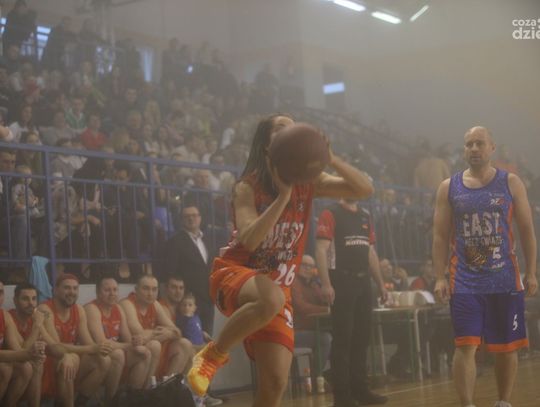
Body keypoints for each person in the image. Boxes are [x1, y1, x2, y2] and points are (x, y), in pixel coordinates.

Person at [187, 113, 374, 407]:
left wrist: (331, 159)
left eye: (293, 127)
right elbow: (250, 239)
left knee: (275, 383)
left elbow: (364, 190)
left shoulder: (310, 182)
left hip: (275, 291)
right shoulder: (247, 186)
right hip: (235, 272)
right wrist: (283, 198)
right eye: (280, 128)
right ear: (267, 145)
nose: (291, 131)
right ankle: (213, 354)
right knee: (272, 297)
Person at [432, 126, 538, 407]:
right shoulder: (449, 187)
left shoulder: (511, 182)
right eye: (469, 144)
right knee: (465, 345)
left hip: (504, 278)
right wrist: (439, 277)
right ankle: (467, 404)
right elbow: (440, 236)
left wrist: (531, 272)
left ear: (492, 148)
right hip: (464, 280)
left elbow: (527, 230)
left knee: (506, 347)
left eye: (479, 143)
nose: (474, 149)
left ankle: (503, 401)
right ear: (464, 150)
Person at [316, 198, 388, 406]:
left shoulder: (365, 215)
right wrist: (326, 284)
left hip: (363, 282)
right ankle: (342, 396)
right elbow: (321, 250)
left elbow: (370, 252)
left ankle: (361, 390)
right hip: (341, 280)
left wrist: (380, 284)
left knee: (362, 338)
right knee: (343, 339)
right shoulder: (331, 213)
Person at [38, 273, 115, 406]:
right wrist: (91, 348)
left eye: (75, 288)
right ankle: (62, 402)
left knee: (104, 360)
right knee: (70, 360)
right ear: (55, 290)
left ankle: (80, 402)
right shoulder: (45, 309)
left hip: (69, 361)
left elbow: (88, 343)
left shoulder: (79, 309)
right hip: (47, 363)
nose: (71, 292)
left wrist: (101, 348)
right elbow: (56, 347)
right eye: (67, 288)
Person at [85, 276, 152, 400]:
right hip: (93, 355)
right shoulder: (91, 308)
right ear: (98, 292)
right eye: (107, 290)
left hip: (113, 352)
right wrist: (129, 345)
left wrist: (137, 341)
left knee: (144, 353)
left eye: (115, 290)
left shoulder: (118, 308)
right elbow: (102, 343)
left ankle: (132, 399)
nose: (112, 293)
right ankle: (110, 401)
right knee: (119, 354)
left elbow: (127, 338)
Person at [119, 274, 192, 383]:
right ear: (136, 290)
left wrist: (168, 334)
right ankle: (147, 389)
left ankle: (166, 387)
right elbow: (139, 334)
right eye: (146, 288)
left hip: (152, 351)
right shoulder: (127, 304)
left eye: (154, 289)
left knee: (185, 344)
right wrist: (161, 332)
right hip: (131, 353)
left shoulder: (155, 304)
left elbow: (177, 332)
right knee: (154, 345)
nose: (150, 293)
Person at [164, 205, 215, 334]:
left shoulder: (208, 240)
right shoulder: (175, 242)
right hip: (188, 300)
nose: (191, 218)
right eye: (187, 216)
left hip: (208, 298)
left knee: (207, 337)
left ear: (200, 218)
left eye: (194, 215)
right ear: (182, 220)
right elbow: (171, 271)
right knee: (191, 337)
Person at [0, 281, 45, 407]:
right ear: (15, 301)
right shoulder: (11, 316)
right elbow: (23, 351)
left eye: (0, 292)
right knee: (5, 369)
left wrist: (33, 354)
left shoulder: (3, 315)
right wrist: (37, 327)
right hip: (5, 367)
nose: (31, 303)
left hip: (11, 365)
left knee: (32, 365)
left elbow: (19, 350)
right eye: (25, 299)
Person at [290, 255, 332, 373]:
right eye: (304, 265)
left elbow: (324, 301)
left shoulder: (313, 284)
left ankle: (334, 374)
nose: (308, 268)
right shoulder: (293, 282)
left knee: (340, 335)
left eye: (311, 266)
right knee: (325, 339)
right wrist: (326, 310)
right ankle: (316, 376)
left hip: (312, 329)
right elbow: (301, 307)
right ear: (297, 266)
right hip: (295, 332)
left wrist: (323, 292)